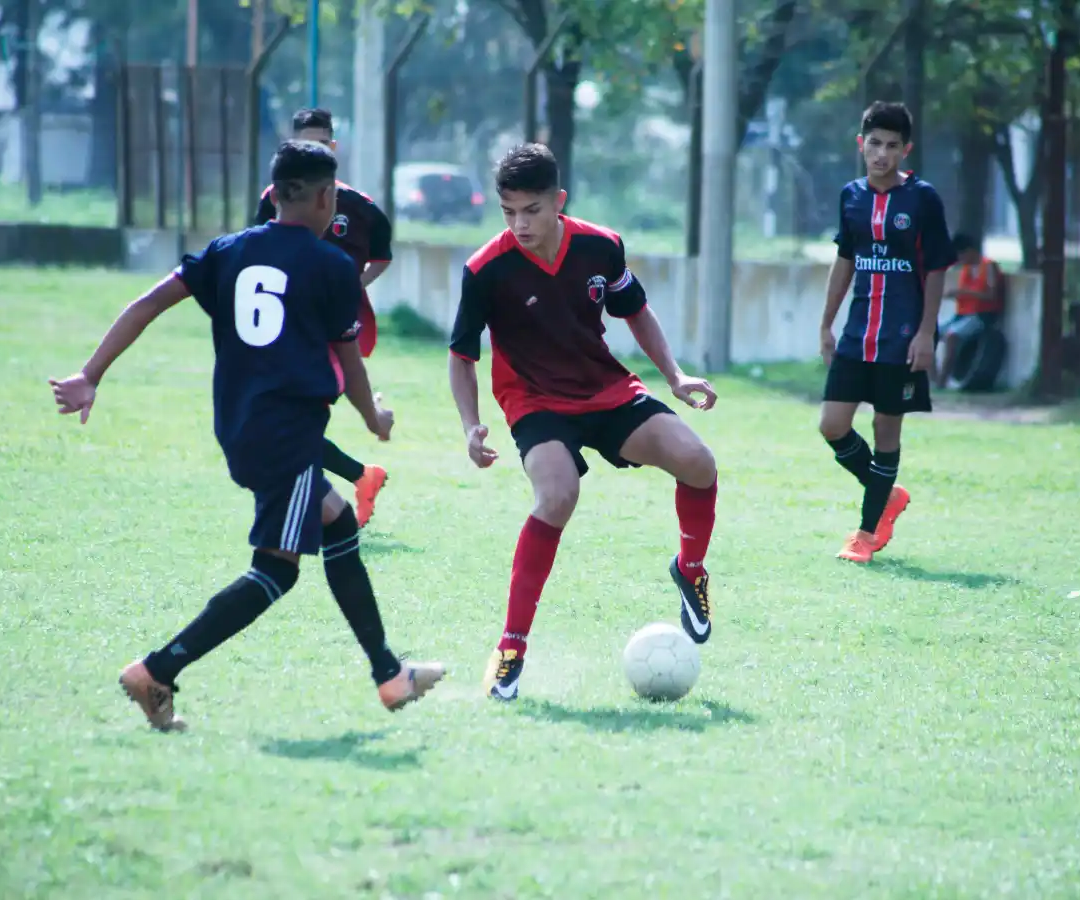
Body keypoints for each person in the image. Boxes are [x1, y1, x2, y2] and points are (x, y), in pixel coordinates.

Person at [49, 140, 444, 731]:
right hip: (286, 437)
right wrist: (373, 419)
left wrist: (90, 375)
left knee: (336, 523)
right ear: (324, 197)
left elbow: (147, 303)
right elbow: (351, 365)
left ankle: (389, 674)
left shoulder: (227, 251)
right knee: (276, 571)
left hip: (243, 428)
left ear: (273, 194)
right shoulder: (333, 266)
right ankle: (156, 670)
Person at [447, 143, 719, 702]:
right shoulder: (485, 270)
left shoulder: (601, 246)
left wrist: (673, 375)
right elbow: (462, 355)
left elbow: (635, 310)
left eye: (532, 210)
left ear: (559, 202)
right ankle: (510, 649)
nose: (519, 224)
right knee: (556, 496)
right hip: (534, 399)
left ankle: (691, 568)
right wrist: (470, 425)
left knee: (697, 461)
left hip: (605, 389)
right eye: (508, 211)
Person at [817, 101, 956, 564]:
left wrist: (926, 334)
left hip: (900, 340)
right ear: (861, 145)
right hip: (858, 335)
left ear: (905, 150)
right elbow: (845, 260)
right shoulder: (851, 196)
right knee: (832, 425)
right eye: (874, 144)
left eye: (892, 146)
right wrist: (826, 324)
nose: (881, 154)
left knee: (885, 432)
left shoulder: (922, 199)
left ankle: (865, 534)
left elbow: (936, 269)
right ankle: (887, 495)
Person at [257, 107, 393, 528]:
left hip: (334, 332)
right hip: (290, 328)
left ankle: (319, 512)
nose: (313, 150)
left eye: (320, 143)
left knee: (287, 425)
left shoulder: (360, 207)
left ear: (333, 148)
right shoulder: (271, 201)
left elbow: (382, 256)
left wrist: (352, 288)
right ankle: (359, 477)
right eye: (305, 143)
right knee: (285, 424)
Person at [936, 232, 1005, 388]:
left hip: (981, 315)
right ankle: (932, 378)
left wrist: (963, 293)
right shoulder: (967, 269)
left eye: (961, 254)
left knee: (952, 336)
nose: (960, 259)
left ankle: (942, 380)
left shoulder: (988, 266)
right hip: (962, 315)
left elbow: (991, 294)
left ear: (970, 251)